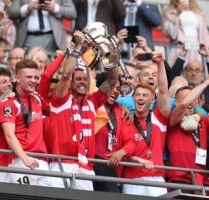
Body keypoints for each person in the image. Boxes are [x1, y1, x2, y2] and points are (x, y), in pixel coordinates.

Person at [48, 30, 119, 190]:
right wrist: (78, 46)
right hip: (62, 164)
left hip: (86, 167)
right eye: (78, 79)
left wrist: (112, 52)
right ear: (71, 83)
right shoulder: (60, 100)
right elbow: (66, 74)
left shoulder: (92, 102)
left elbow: (113, 80)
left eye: (85, 79)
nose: (82, 82)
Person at [121, 52, 170, 197]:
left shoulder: (158, 118)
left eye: (145, 96)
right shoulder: (125, 119)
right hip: (131, 179)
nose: (141, 98)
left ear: (152, 99)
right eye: (138, 95)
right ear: (133, 98)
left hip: (156, 179)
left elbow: (163, 90)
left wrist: (160, 64)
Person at [0, 59, 50, 186]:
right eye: (29, 77)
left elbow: (52, 111)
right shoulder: (8, 103)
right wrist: (25, 158)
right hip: (21, 161)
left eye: (36, 77)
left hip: (42, 161)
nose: (33, 80)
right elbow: (9, 135)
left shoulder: (38, 98)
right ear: (17, 78)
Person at [167, 80, 209, 189]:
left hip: (201, 180)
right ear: (176, 102)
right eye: (187, 97)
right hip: (179, 179)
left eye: (193, 97)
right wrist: (207, 81)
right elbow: (184, 104)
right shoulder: (172, 119)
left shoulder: (202, 120)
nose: (190, 101)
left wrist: (199, 115)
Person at [6, 0, 76, 51]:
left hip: (53, 39)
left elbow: (73, 13)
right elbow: (11, 13)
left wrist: (55, 8)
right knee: (27, 66)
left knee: (52, 68)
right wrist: (27, 8)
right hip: (27, 38)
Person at [162, 0, 209, 66]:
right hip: (179, 47)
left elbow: (205, 35)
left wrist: (207, 49)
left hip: (196, 48)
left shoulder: (199, 14)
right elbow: (169, 33)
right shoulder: (170, 13)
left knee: (195, 70)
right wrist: (176, 15)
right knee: (177, 71)